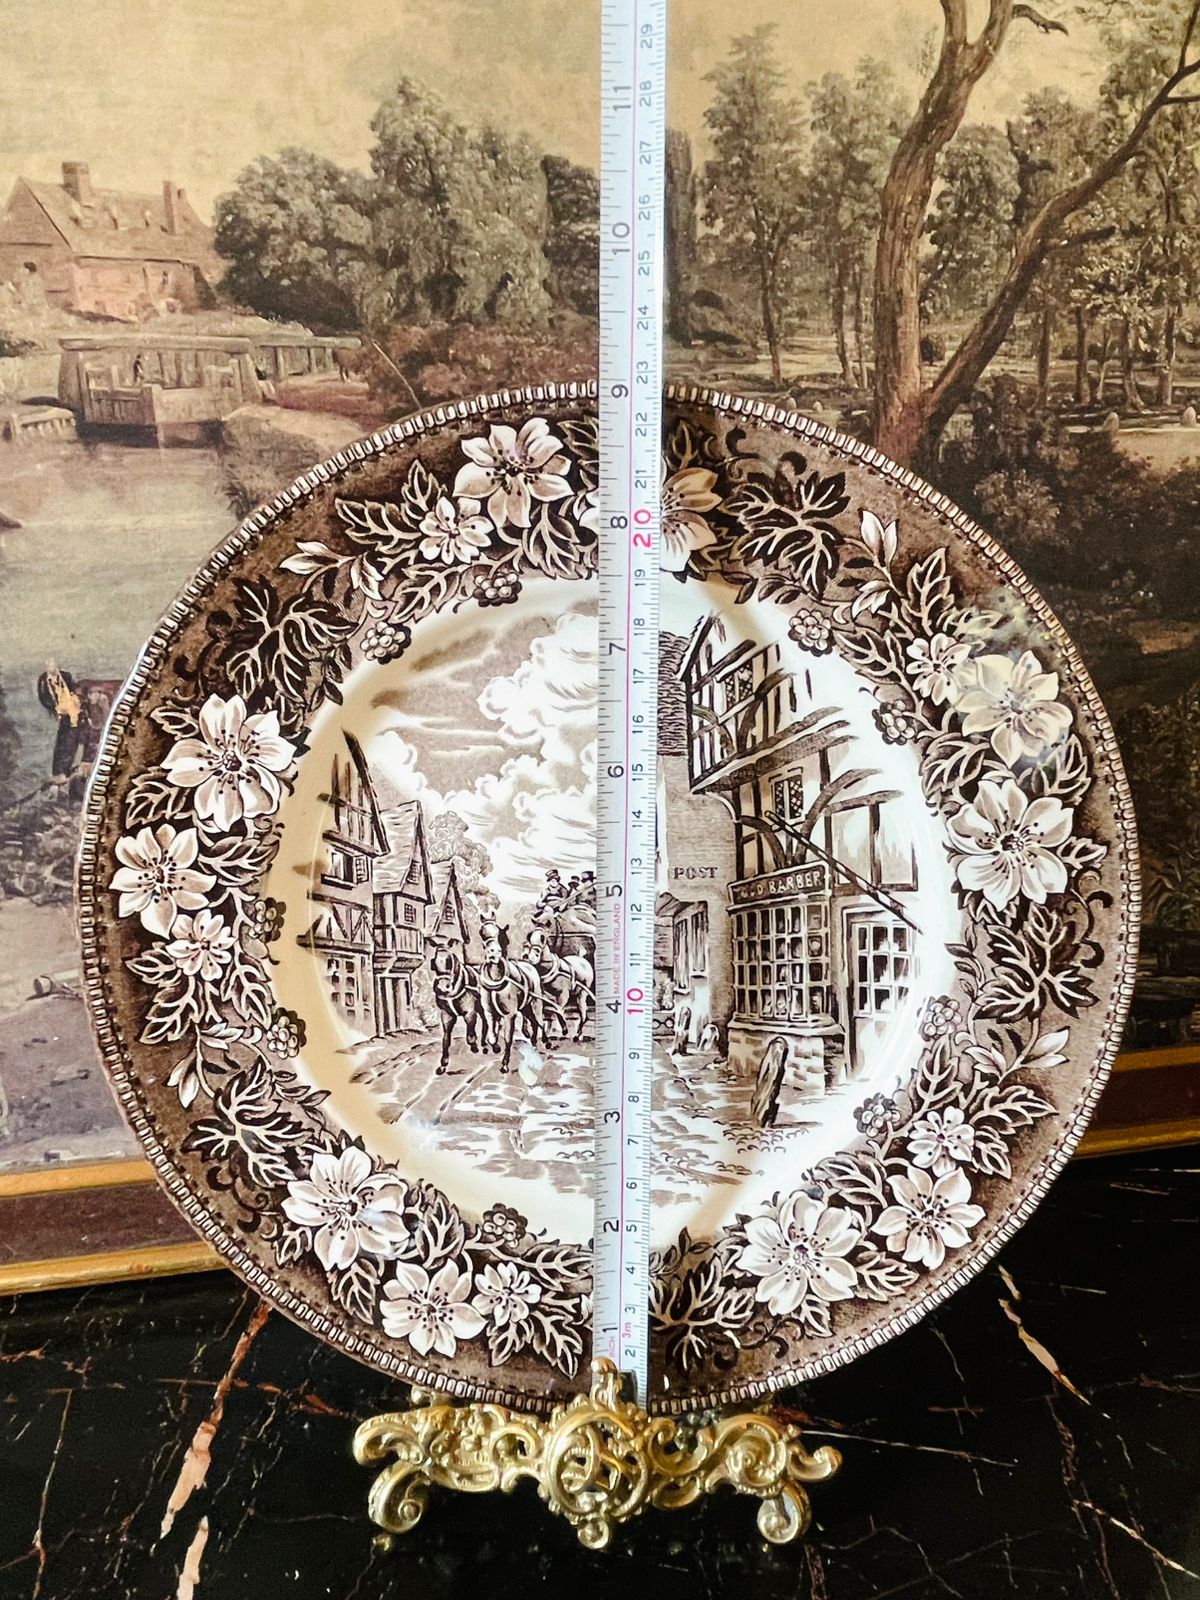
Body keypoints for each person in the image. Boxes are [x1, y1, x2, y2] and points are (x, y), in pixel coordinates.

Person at [36, 660, 82, 786]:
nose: (53, 667)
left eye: (54, 665)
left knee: (70, 740)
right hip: (58, 713)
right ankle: (58, 772)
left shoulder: (66, 676)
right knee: (60, 742)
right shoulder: (43, 680)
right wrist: (55, 709)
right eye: (50, 665)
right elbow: (43, 697)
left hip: (71, 711)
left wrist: (73, 698)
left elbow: (74, 688)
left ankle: (65, 771)